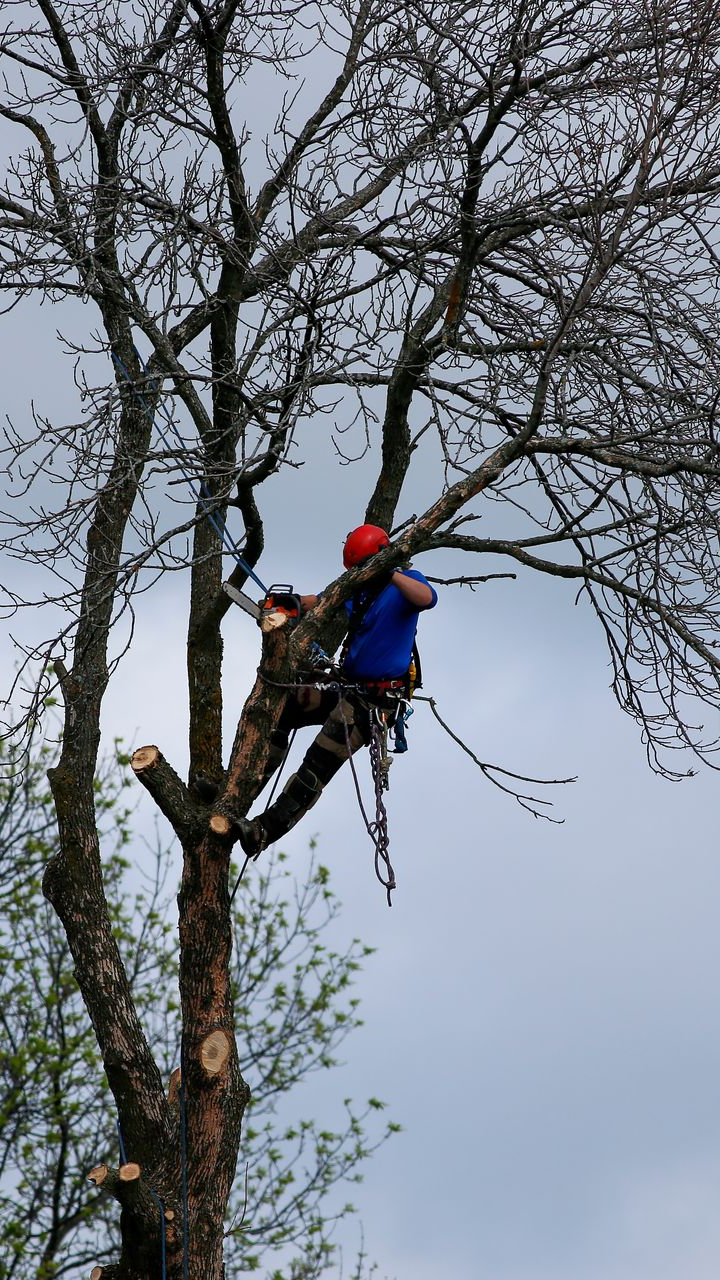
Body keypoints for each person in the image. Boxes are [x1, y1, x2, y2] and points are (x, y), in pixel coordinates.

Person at [234, 524, 437, 857]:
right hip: (348, 688)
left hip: (373, 703)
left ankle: (262, 831)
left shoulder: (405, 587)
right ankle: (240, 791)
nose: (360, 574)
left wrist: (389, 569)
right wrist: (291, 603)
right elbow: (324, 599)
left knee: (317, 762)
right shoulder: (360, 590)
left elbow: (426, 599)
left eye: (364, 567)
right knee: (285, 706)